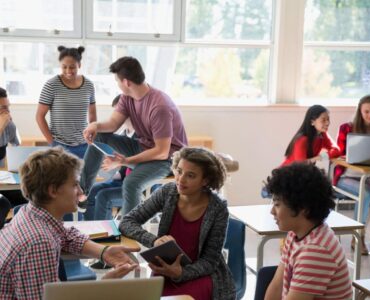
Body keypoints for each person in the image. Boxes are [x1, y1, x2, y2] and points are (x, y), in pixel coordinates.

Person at [0, 147, 138, 299]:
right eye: (74, 185)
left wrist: (103, 252)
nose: (80, 191)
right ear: (53, 190)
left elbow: (66, 234)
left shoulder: (29, 213)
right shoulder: (38, 243)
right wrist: (103, 286)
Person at [120, 147, 236, 300]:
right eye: (179, 171)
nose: (181, 179)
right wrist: (153, 240)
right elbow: (127, 222)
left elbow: (210, 261)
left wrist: (181, 273)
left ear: (205, 180)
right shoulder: (167, 192)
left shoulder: (218, 208)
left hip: (201, 275)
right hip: (165, 270)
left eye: (191, 175)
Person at [80, 56, 187, 217]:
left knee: (131, 183)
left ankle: (129, 231)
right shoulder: (127, 97)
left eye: (117, 81)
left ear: (126, 82)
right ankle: (82, 192)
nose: (117, 84)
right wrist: (95, 126)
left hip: (167, 159)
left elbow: (162, 152)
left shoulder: (159, 106)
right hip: (142, 147)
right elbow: (113, 123)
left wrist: (125, 161)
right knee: (99, 136)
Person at [264, 163, 352, 300]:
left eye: (277, 204)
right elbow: (277, 286)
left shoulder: (316, 250)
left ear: (303, 208)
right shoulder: (295, 234)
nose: (272, 211)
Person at [36, 46, 97, 159]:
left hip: (84, 145)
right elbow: (39, 116)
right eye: (64, 67)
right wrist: (52, 143)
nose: (68, 71)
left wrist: (92, 137)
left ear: (79, 65)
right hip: (59, 145)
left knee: (84, 176)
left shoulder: (89, 85)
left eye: (72, 67)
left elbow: (92, 115)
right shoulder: (51, 85)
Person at [335, 94, 370, 255]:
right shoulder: (347, 128)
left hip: (369, 176)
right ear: (360, 111)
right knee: (364, 193)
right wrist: (346, 156)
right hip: (346, 177)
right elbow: (337, 152)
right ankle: (358, 237)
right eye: (367, 112)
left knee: (367, 188)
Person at [0, 87, 27, 206]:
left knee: (29, 196)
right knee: (3, 204)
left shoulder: (9, 126)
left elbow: (18, 151)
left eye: (8, 107)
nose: (8, 113)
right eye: (4, 108)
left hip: (2, 182)